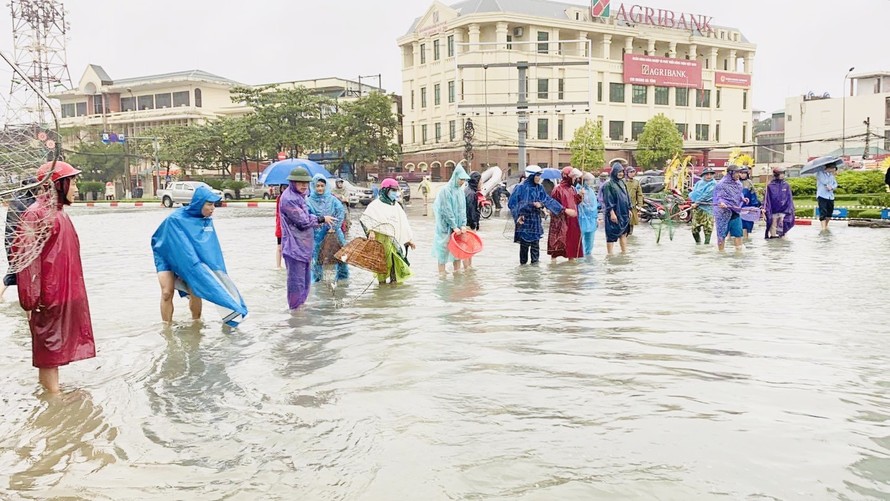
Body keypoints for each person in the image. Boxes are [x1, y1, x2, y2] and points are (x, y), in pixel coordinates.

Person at [15, 162, 95, 393]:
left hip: (64, 293)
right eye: (73, 181)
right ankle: (52, 398)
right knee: (48, 350)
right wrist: (30, 299)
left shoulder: (60, 214)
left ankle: (54, 394)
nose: (76, 187)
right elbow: (27, 260)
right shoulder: (35, 215)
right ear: (59, 184)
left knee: (56, 347)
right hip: (47, 297)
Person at [152, 184, 248, 325]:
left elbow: (210, 249)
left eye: (214, 204)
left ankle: (196, 323)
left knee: (196, 289)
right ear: (198, 204)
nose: (212, 208)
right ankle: (167, 328)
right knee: (167, 292)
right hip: (165, 255)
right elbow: (160, 240)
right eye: (209, 204)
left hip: (189, 257)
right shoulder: (175, 219)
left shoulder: (206, 221)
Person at [278, 168, 335, 310]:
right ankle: (295, 312)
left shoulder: (300, 197)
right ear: (292, 182)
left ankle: (300, 308)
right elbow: (303, 221)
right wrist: (322, 219)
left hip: (304, 247)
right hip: (294, 248)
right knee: (296, 283)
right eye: (300, 183)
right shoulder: (289, 199)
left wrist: (320, 219)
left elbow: (307, 217)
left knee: (305, 281)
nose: (304, 186)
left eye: (306, 183)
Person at [360, 178, 416, 284]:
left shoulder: (397, 206)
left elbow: (403, 224)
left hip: (395, 242)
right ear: (386, 190)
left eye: (396, 190)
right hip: (381, 241)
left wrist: (408, 239)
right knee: (383, 265)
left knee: (397, 265)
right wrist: (371, 231)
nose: (395, 193)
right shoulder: (375, 205)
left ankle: (393, 294)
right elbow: (366, 220)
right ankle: (382, 293)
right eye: (393, 190)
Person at [507, 166, 564, 265]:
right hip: (524, 222)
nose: (539, 178)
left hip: (536, 221)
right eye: (537, 175)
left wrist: (560, 209)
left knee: (535, 248)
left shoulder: (540, 188)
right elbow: (512, 204)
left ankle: (535, 273)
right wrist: (519, 215)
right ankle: (523, 271)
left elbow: (547, 199)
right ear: (531, 176)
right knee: (524, 249)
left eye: (539, 175)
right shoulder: (520, 187)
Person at [306, 174, 349, 283]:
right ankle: (317, 281)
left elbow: (341, 212)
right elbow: (307, 216)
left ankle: (343, 280)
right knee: (317, 259)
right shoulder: (308, 201)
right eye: (317, 186)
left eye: (322, 185)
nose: (320, 188)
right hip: (317, 234)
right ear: (313, 186)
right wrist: (319, 221)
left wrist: (334, 227)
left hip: (334, 232)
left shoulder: (332, 199)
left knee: (341, 256)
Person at [1, 176, 38, 300]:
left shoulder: (17, 199)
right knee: (15, 275)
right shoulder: (28, 203)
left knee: (13, 273)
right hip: (20, 245)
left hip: (11, 242)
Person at [432, 166, 470, 275]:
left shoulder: (460, 191)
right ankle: (442, 275)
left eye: (464, 180)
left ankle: (457, 274)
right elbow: (446, 210)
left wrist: (463, 224)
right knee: (443, 251)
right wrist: (453, 226)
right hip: (445, 227)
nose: (462, 182)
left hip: (458, 227)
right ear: (455, 177)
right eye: (461, 179)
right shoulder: (445, 190)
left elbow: (463, 209)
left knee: (457, 251)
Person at [547, 167, 582, 260]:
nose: (575, 179)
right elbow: (552, 205)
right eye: (573, 177)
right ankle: (554, 269)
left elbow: (574, 202)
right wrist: (565, 210)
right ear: (567, 176)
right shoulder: (557, 189)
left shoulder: (573, 189)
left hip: (572, 222)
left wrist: (579, 197)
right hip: (560, 222)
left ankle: (571, 269)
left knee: (572, 249)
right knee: (556, 248)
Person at [601, 161, 631, 255]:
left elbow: (627, 196)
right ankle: (610, 254)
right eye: (619, 172)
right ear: (614, 172)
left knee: (623, 233)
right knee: (611, 234)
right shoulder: (608, 185)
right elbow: (608, 200)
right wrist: (612, 213)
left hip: (624, 212)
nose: (621, 174)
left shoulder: (622, 183)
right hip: (614, 213)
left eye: (622, 172)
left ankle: (624, 252)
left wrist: (629, 209)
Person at [714, 165, 744, 251]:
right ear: (730, 173)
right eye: (737, 173)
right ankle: (721, 252)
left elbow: (739, 194)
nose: (739, 175)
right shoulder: (721, 184)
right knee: (721, 235)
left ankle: (738, 252)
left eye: (739, 172)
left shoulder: (739, 184)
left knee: (738, 234)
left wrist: (743, 198)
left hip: (735, 212)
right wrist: (721, 203)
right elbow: (718, 196)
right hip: (723, 213)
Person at [763, 166, 795, 239]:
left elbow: (789, 198)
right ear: (776, 174)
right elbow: (766, 198)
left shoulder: (786, 185)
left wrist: (791, 208)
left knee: (783, 228)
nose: (783, 175)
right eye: (781, 173)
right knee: (773, 226)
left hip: (784, 210)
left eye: (783, 173)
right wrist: (764, 208)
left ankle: (782, 241)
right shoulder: (770, 185)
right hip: (773, 211)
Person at [689, 168, 717, 245]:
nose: (709, 176)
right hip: (697, 209)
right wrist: (694, 202)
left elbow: (707, 195)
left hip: (708, 208)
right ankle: (698, 244)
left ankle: (706, 245)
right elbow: (694, 193)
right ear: (703, 175)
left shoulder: (714, 184)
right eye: (707, 174)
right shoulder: (699, 183)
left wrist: (697, 202)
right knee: (694, 229)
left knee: (708, 228)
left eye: (711, 174)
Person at [577, 172, 599, 256]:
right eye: (587, 180)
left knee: (590, 240)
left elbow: (595, 205)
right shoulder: (577, 190)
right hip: (581, 218)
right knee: (579, 240)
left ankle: (588, 256)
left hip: (591, 219)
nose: (589, 182)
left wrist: (596, 217)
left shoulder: (590, 191)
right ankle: (579, 257)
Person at [738, 167, 761, 240]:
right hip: (736, 207)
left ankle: (745, 238)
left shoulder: (749, 183)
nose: (743, 175)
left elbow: (753, 194)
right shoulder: (735, 182)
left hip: (747, 207)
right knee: (736, 224)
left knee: (746, 224)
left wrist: (755, 205)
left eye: (744, 173)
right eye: (741, 173)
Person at [816, 164, 839, 231]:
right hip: (822, 195)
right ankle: (823, 227)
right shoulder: (820, 173)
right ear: (829, 168)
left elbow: (835, 184)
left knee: (829, 212)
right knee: (823, 211)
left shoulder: (831, 175)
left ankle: (826, 225)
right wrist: (829, 184)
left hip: (830, 196)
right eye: (833, 168)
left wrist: (831, 187)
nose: (834, 170)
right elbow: (824, 181)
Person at [624, 166, 644, 236]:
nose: (633, 173)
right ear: (627, 173)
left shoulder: (636, 182)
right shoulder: (622, 182)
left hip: (633, 206)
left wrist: (640, 205)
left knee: (631, 223)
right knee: (623, 223)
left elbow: (639, 194)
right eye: (631, 172)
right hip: (623, 206)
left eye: (633, 172)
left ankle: (630, 236)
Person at [274, 185, 284, 269]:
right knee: (279, 247)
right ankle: (278, 266)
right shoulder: (279, 199)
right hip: (280, 227)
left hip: (290, 228)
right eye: (283, 188)